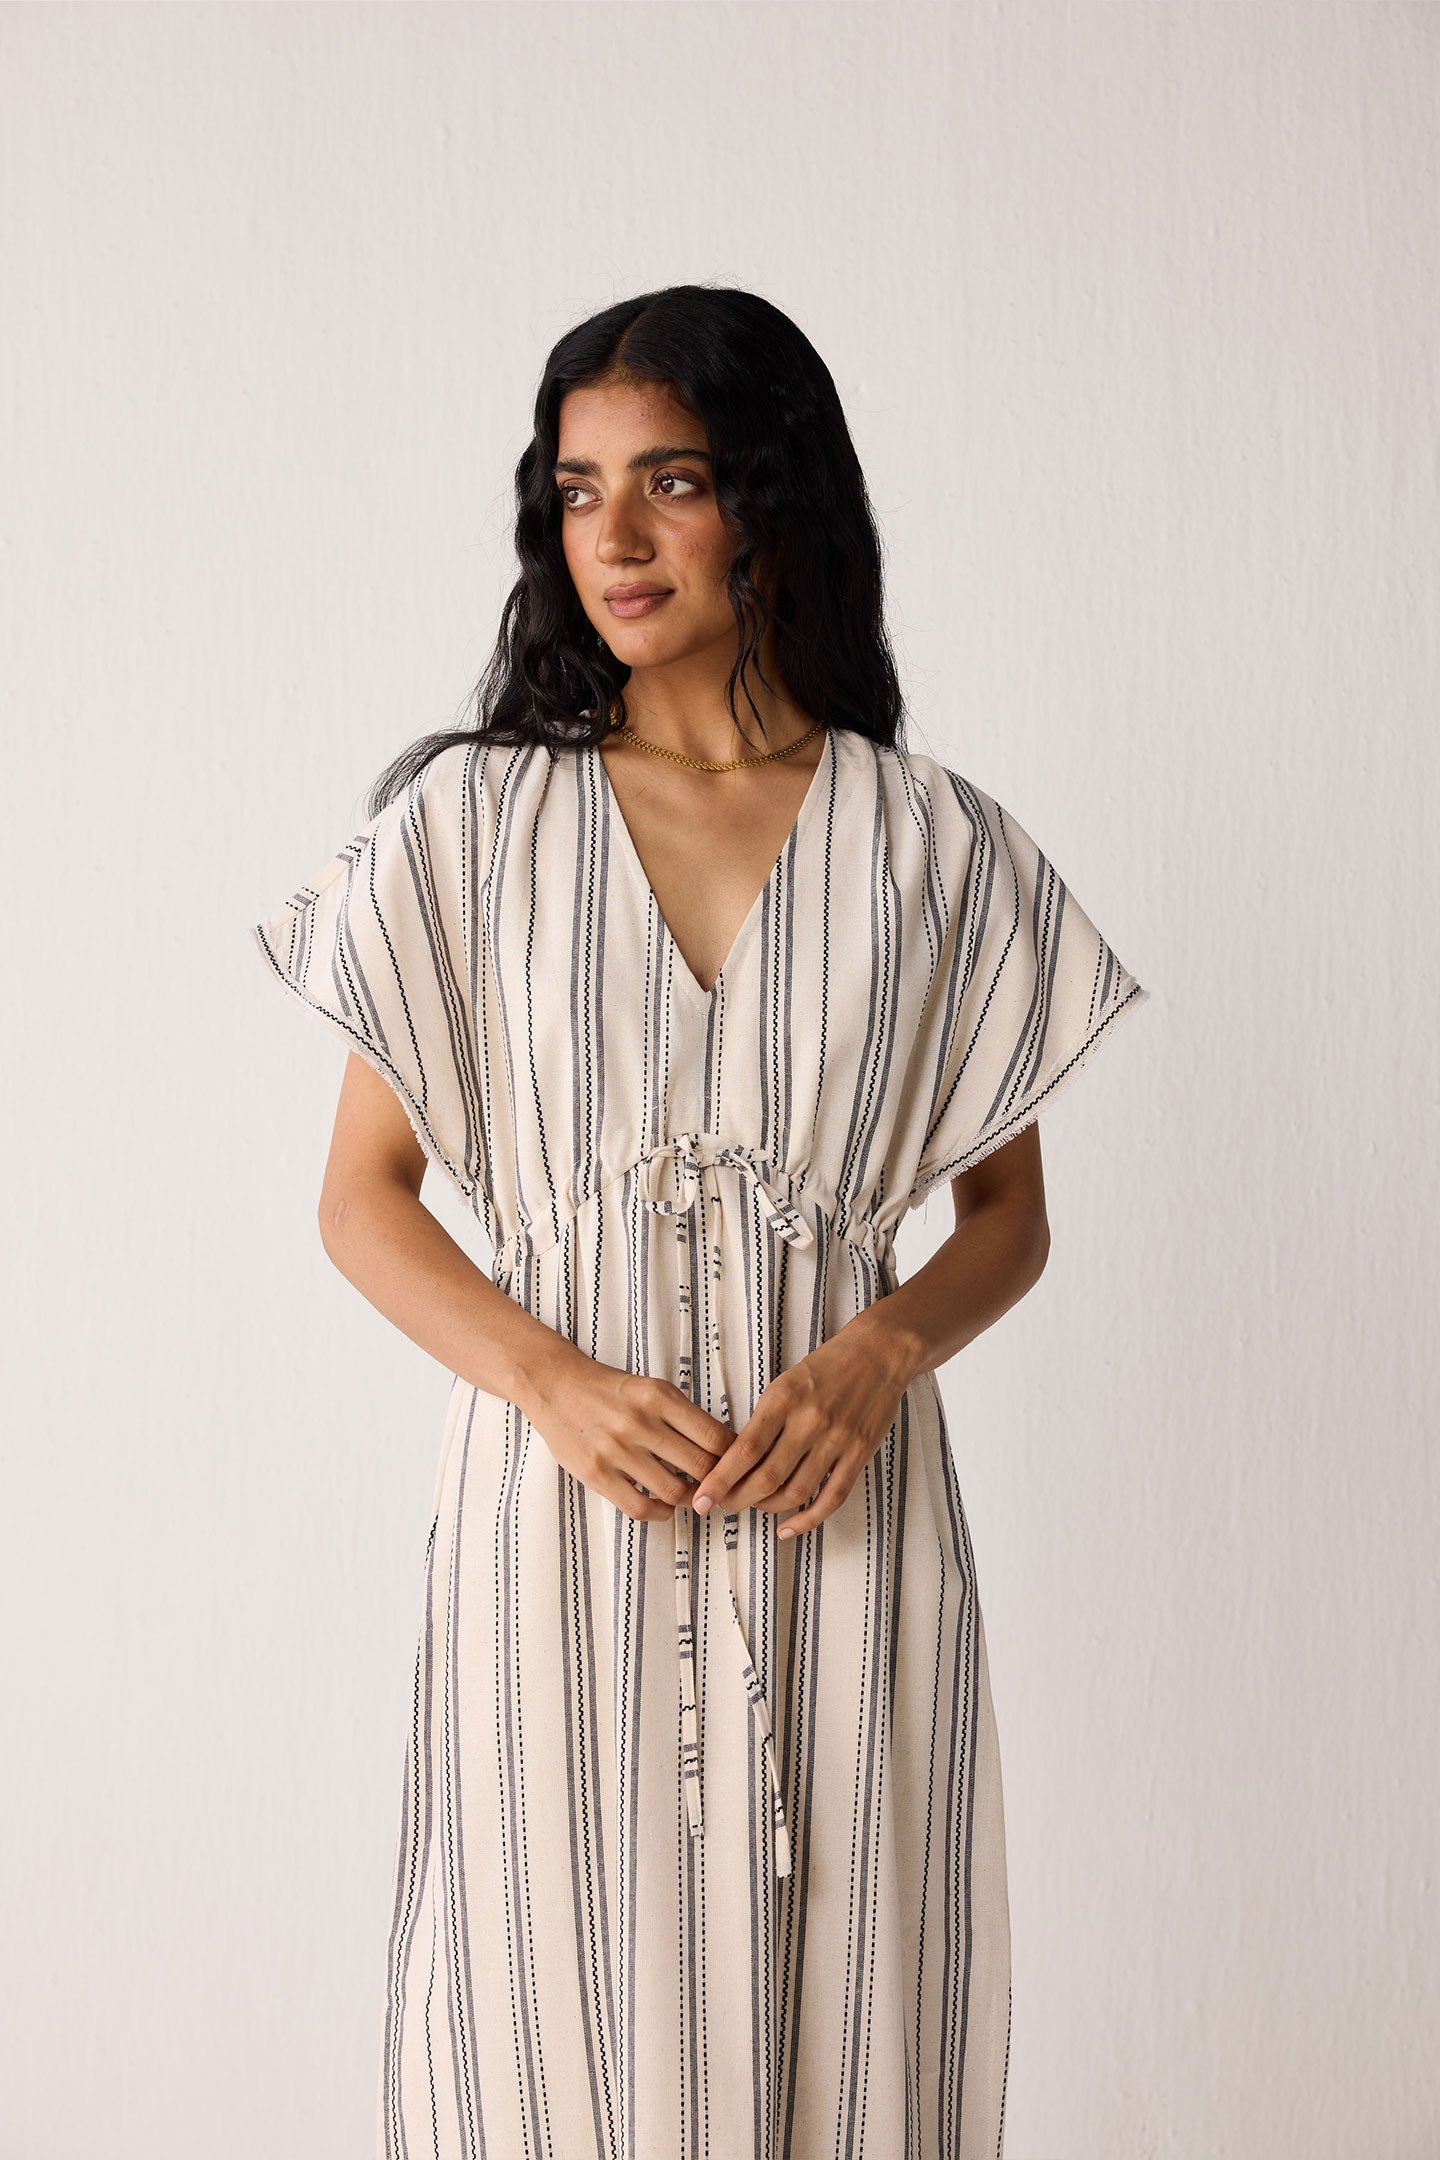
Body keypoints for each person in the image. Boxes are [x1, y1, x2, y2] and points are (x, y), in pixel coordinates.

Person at [249, 284, 1149, 2160]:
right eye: (580, 492)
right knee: (538, 2030)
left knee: (858, 2027)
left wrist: (880, 1350)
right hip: (555, 1525)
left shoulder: (934, 846)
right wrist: (553, 1384)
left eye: (671, 480)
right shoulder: (472, 828)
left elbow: (1006, 1220)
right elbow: (361, 1202)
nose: (619, 537)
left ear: (771, 498)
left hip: (843, 1521)